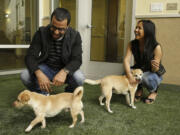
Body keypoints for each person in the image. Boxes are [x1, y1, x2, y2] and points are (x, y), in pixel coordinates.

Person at [20, 7, 85, 95]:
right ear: (51, 22)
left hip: (65, 68)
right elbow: (30, 56)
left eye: (61, 29)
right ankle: (42, 93)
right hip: (46, 68)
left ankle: (67, 95)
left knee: (79, 78)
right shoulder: (41, 33)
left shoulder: (75, 35)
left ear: (67, 26)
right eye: (53, 27)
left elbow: (77, 60)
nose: (56, 32)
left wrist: (64, 71)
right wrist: (39, 74)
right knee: (25, 75)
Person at [124, 20, 165, 104]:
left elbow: (154, 70)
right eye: (136, 27)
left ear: (147, 31)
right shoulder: (132, 44)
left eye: (139, 28)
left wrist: (154, 67)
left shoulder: (156, 47)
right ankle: (139, 88)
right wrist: (129, 74)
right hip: (139, 70)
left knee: (146, 77)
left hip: (152, 72)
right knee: (124, 75)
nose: (136, 30)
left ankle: (154, 91)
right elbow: (126, 60)